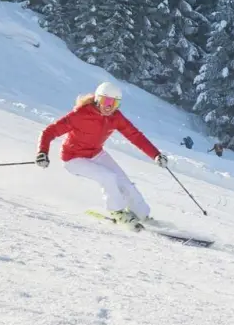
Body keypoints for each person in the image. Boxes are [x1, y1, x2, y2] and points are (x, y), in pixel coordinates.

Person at [37, 82, 168, 224]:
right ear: (98, 99)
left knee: (124, 182)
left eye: (115, 103)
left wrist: (155, 154)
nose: (109, 106)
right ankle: (116, 212)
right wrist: (42, 152)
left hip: (96, 154)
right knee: (108, 177)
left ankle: (142, 215)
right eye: (106, 101)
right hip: (74, 159)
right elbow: (50, 131)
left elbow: (135, 135)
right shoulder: (80, 115)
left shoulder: (115, 117)